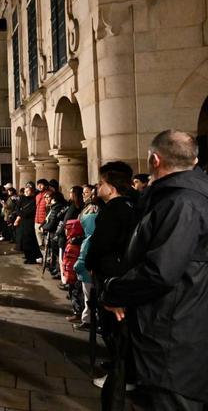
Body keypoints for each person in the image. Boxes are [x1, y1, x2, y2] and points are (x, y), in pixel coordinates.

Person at [102, 130, 208, 410]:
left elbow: (161, 271)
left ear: (154, 160)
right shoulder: (177, 196)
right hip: (169, 328)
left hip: (174, 337)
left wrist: (114, 291)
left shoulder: (182, 202)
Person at [84, 161, 139, 399]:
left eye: (101, 183)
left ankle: (122, 375)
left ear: (112, 186)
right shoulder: (131, 205)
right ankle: (121, 369)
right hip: (120, 275)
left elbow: (102, 244)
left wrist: (91, 264)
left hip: (112, 278)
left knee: (113, 327)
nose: (98, 187)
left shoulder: (115, 209)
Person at [15, 184, 41, 264]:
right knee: (24, 240)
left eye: (28, 190)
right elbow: (17, 208)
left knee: (30, 240)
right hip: (23, 221)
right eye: (25, 190)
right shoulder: (22, 198)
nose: (26, 192)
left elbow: (30, 211)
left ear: (32, 191)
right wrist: (20, 213)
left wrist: (21, 213)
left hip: (29, 222)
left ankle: (32, 258)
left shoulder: (34, 200)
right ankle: (27, 256)